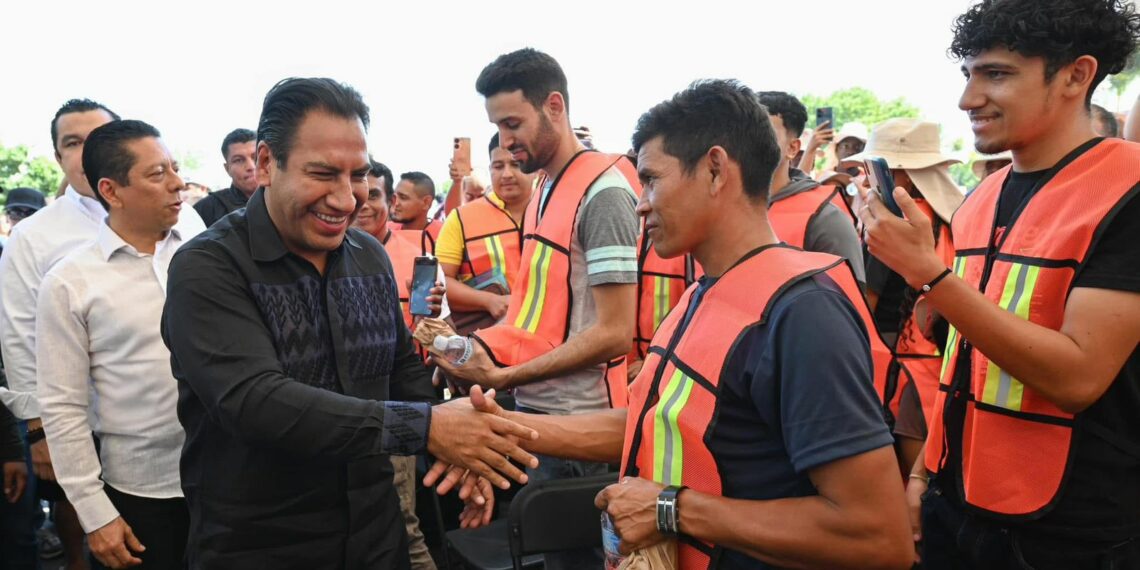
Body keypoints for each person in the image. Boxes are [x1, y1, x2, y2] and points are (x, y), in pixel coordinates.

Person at [432, 79, 913, 570]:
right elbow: (650, 425)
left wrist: (671, 510)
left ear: (715, 170)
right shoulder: (701, 294)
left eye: (651, 180)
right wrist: (500, 427)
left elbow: (877, 536)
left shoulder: (803, 314)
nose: (640, 204)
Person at [160, 77, 537, 569]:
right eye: (323, 174)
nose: (346, 199)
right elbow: (254, 401)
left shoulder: (369, 256)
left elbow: (401, 368)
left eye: (357, 175)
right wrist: (427, 429)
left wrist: (463, 451)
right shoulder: (207, 267)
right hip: (261, 546)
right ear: (268, 163)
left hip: (377, 536)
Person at [859, 1, 1140, 567]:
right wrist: (922, 471)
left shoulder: (1127, 192)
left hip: (1073, 529)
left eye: (997, 74)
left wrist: (930, 276)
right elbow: (967, 363)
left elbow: (1079, 376)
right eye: (968, 75)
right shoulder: (982, 199)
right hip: (955, 503)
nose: (968, 99)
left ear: (1076, 75)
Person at [446, 48, 642, 569]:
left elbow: (615, 333)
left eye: (513, 124)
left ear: (555, 106)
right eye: (497, 127)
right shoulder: (546, 188)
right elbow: (536, 313)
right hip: (537, 413)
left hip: (582, 429)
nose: (506, 141)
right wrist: (479, 355)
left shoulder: (603, 194)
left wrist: (505, 377)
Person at [38, 120, 205, 570]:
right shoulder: (70, 282)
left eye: (175, 168)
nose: (178, 183)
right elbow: (62, 406)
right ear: (112, 190)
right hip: (140, 494)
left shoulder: (205, 255)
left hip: (226, 482)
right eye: (157, 174)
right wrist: (95, 514)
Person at [0, 98, 120, 570]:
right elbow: (18, 334)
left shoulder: (178, 217)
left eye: (99, 137)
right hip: (75, 413)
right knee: (79, 521)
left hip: (166, 415)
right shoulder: (34, 236)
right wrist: (37, 431)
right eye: (73, 142)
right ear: (57, 157)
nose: (87, 151)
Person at [845, 118, 965, 476]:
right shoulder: (955, 219)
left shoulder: (891, 227)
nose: (866, 179)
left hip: (900, 370)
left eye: (874, 170)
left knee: (905, 482)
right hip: (943, 366)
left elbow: (864, 304)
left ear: (903, 177)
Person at [351, 159, 440, 570]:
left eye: (374, 195)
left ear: (389, 202)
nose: (363, 203)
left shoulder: (418, 255)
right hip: (338, 418)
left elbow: (441, 333)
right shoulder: (318, 249)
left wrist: (434, 322)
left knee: (402, 522)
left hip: (397, 406)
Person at [757, 91, 865, 281]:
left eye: (764, 135)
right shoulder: (721, 210)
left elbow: (847, 302)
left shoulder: (827, 222)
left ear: (792, 148)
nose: (750, 143)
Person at [434, 133, 534, 335]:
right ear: (490, 169)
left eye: (515, 164)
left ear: (535, 168)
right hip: (488, 340)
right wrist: (490, 301)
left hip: (551, 337)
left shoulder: (554, 209)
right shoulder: (460, 218)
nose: (506, 174)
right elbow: (441, 282)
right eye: (498, 166)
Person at [193, 128, 258, 227]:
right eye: (239, 160)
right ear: (227, 169)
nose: (251, 166)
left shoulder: (284, 200)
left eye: (256, 157)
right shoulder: (207, 209)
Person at [391, 172, 442, 243]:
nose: (395, 203)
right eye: (394, 197)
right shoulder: (386, 231)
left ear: (426, 202)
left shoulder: (443, 234)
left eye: (403, 197)